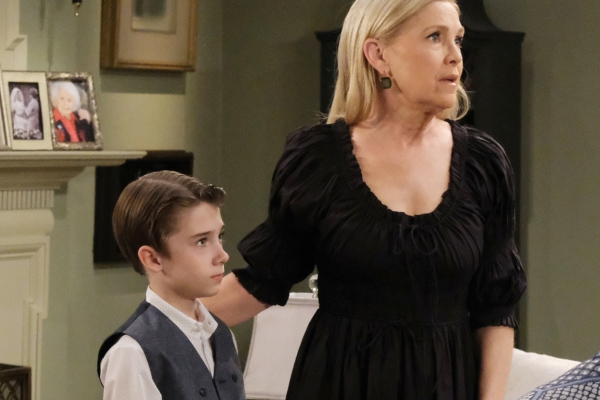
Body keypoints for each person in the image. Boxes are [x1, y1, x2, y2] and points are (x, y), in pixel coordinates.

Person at [204, 0, 527, 399]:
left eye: (457, 39)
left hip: (445, 385)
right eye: (434, 37)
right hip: (338, 383)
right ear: (378, 55)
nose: (455, 56)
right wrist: (159, 326)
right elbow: (264, 280)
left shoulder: (484, 163)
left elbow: (496, 308)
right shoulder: (318, 159)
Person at [97, 171, 246, 400]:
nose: (223, 255)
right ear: (153, 259)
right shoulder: (132, 352)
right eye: (202, 241)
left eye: (220, 237)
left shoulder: (222, 335)